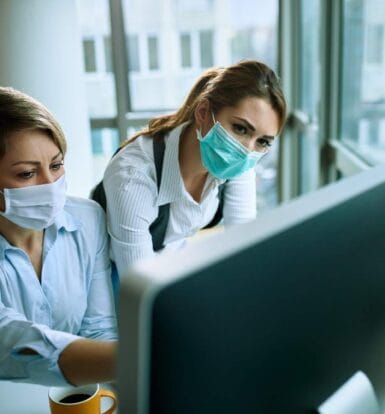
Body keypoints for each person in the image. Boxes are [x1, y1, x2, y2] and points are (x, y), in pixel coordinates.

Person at [101, 60, 287, 274]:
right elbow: (137, 286)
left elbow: (243, 248)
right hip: (114, 272)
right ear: (203, 112)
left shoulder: (237, 162)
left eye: (263, 141)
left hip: (171, 258)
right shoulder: (133, 177)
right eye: (240, 129)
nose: (247, 150)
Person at [0, 87, 117, 386]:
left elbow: (98, 328)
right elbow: (13, 342)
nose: (51, 184)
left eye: (56, 165)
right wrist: (138, 358)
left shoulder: (88, 219)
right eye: (27, 173)